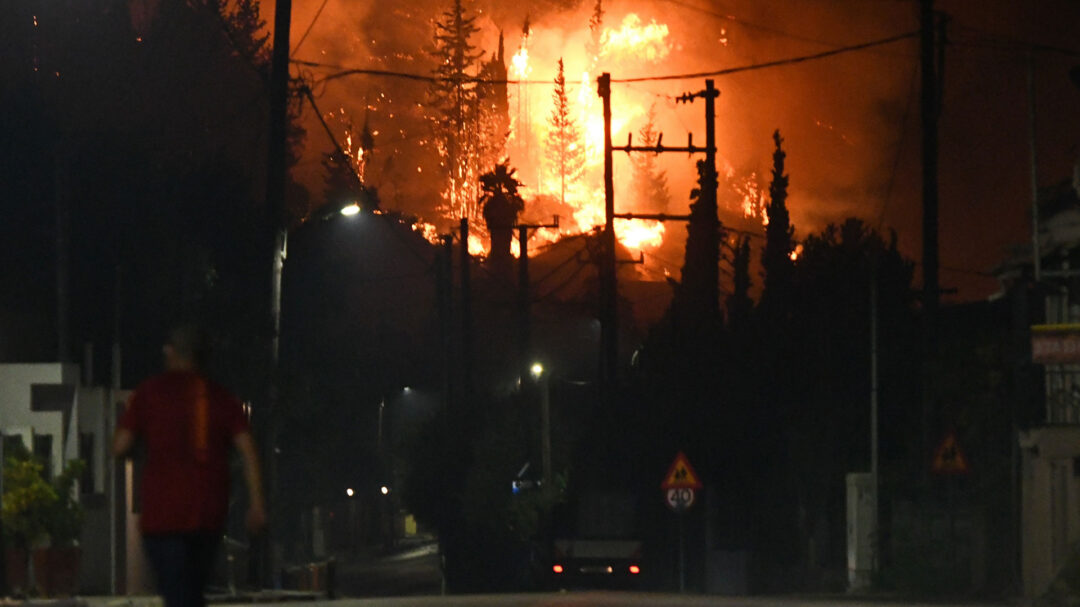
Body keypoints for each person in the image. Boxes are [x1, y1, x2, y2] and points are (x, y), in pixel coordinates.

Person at [113, 325, 267, 607]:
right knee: (192, 589)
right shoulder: (221, 398)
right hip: (207, 514)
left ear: (170, 352)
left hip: (162, 516)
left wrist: (140, 450)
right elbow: (248, 451)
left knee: (176, 592)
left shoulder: (150, 393)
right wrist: (257, 503)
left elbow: (120, 445)